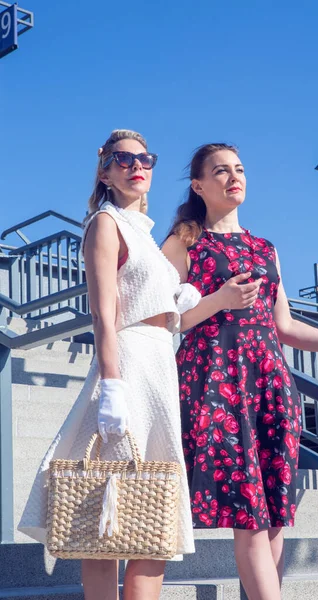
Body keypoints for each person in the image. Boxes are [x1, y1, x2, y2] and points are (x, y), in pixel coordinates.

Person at [162, 142, 318, 600]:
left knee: (275, 513)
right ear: (198, 185)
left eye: (239, 169)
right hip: (214, 385)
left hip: (269, 384)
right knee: (249, 513)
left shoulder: (265, 248)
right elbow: (163, 321)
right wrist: (218, 300)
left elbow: (283, 326)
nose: (232, 177)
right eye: (220, 171)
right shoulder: (183, 242)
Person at [19, 129, 202, 600]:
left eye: (146, 158)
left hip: (161, 365)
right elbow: (104, 312)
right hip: (131, 363)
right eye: (123, 159)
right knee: (108, 509)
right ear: (105, 169)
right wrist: (113, 386)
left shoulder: (144, 231)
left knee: (154, 516)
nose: (136, 165)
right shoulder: (105, 223)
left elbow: (152, 300)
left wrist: (178, 298)